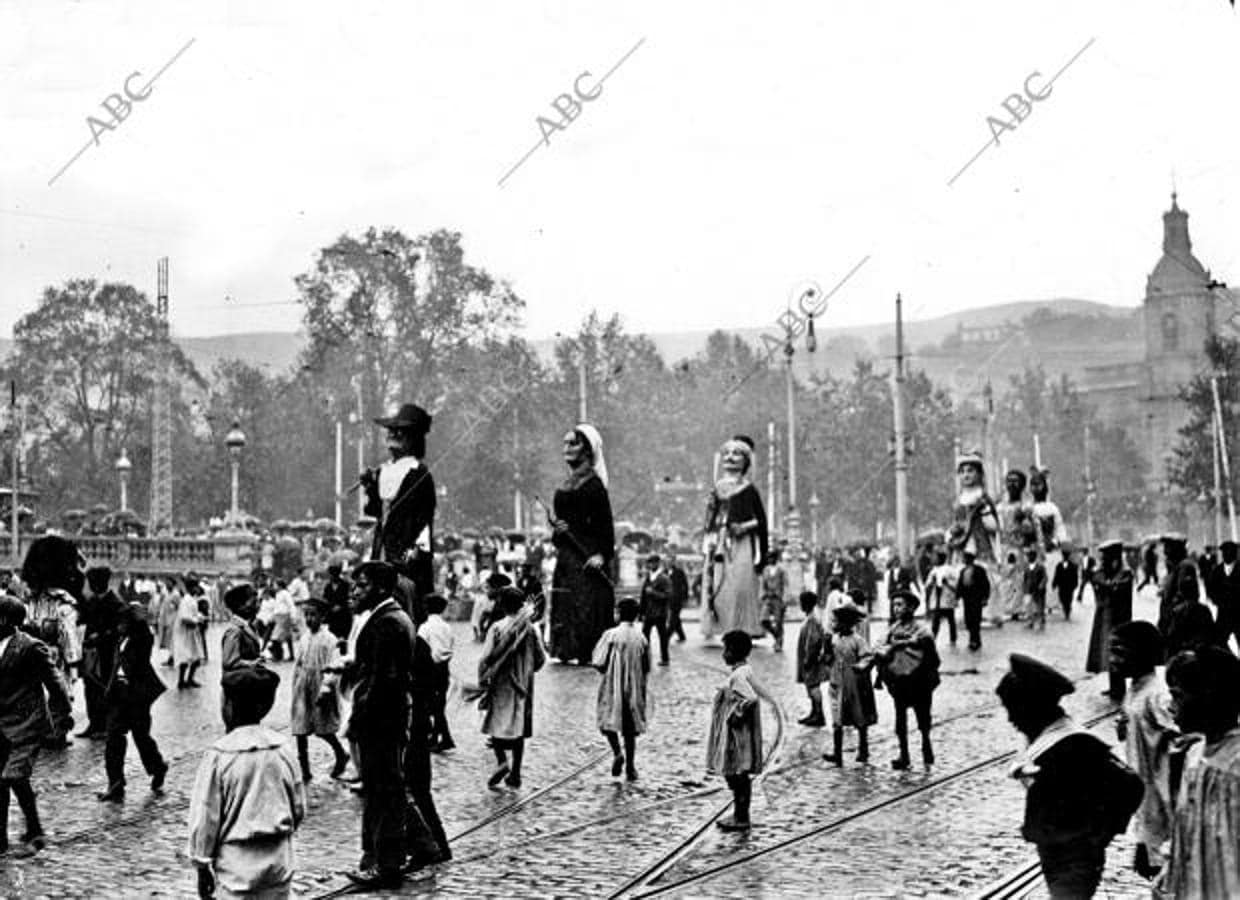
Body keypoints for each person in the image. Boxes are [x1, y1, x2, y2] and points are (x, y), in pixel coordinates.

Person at [996, 653, 1143, 899]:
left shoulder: (1075, 745)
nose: (1011, 720)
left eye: (1015, 711)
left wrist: (1099, 835)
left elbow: (1131, 785)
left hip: (1075, 859)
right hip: (1055, 853)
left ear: (1034, 709)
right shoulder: (1049, 739)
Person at [186, 666, 305, 900]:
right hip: (278, 865)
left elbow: (205, 816)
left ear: (228, 707)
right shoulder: (282, 749)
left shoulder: (220, 755)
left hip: (236, 870)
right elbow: (298, 807)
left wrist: (201, 865)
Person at [343, 561, 417, 889]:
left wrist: (360, 717)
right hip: (389, 717)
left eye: (361, 585)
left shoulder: (387, 622)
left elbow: (382, 681)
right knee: (386, 788)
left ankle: (385, 865)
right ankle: (390, 856)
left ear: (382, 588)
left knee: (383, 790)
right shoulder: (391, 617)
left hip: (381, 720)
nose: (354, 591)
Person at [1156, 646, 1240, 899]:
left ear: (1208, 697)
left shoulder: (1234, 768)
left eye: (1177, 696)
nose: (1170, 707)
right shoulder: (1194, 756)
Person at [0, 597, 73, 857]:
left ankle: (36, 830)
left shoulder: (31, 647)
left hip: (27, 723)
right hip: (1, 723)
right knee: (1, 781)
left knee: (15, 776)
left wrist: (62, 715)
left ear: (4, 621)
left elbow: (55, 683)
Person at [1110, 621, 1177, 880]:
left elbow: (1182, 732)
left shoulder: (1157, 695)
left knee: (1163, 867)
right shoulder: (1135, 689)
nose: (1113, 660)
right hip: (1146, 795)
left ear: (1141, 654)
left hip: (1161, 794)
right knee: (1152, 864)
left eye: (1120, 652)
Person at [548, 424, 616, 664]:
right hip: (567, 558)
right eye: (565, 443)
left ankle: (588, 651)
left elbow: (606, 527)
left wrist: (602, 554)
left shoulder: (595, 487)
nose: (566, 448)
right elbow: (559, 535)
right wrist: (558, 531)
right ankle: (567, 649)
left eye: (573, 444)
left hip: (588, 557)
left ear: (588, 451)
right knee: (567, 602)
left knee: (586, 605)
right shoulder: (565, 485)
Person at [359, 403, 437, 606]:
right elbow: (374, 510)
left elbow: (424, 522)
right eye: (391, 430)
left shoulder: (420, 474)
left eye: (400, 431)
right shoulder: (382, 471)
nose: (393, 435)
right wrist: (369, 487)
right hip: (382, 548)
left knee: (406, 600)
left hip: (407, 555)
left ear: (413, 438)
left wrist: (413, 553)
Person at [97, 604, 168, 802]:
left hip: (137, 695)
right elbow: (115, 662)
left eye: (123, 623)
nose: (119, 626)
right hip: (120, 694)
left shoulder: (143, 638)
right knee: (113, 737)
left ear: (132, 623)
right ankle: (115, 783)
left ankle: (158, 767)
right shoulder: (122, 637)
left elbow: (136, 663)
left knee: (141, 736)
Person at [701, 436, 768, 641]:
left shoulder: (749, 490)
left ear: (746, 461)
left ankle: (742, 626)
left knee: (740, 585)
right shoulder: (717, 488)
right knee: (718, 584)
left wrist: (744, 527)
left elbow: (760, 521)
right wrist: (709, 537)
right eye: (727, 453)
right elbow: (709, 518)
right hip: (719, 542)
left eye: (736, 453)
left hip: (742, 544)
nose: (730, 457)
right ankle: (722, 625)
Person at [479, 586, 546, 789]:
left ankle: (501, 762)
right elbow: (541, 658)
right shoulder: (531, 628)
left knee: (496, 722)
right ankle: (516, 772)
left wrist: (483, 679)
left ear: (502, 605)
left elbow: (486, 658)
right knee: (519, 727)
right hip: (524, 684)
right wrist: (527, 670)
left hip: (502, 682)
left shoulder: (497, 628)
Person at [403, 589, 451, 871]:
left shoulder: (413, 642)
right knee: (418, 790)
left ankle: (433, 847)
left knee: (415, 790)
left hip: (413, 727)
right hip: (420, 720)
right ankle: (435, 846)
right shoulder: (418, 640)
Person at [706, 630, 772, 831]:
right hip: (741, 733)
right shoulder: (744, 670)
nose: (723, 654)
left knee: (737, 773)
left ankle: (741, 817)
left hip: (738, 735)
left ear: (733, 651)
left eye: (726, 649)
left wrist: (736, 714)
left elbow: (750, 698)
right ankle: (739, 814)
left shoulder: (738, 676)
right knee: (738, 773)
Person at [876, 591, 941, 769]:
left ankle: (926, 745)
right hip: (900, 682)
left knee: (923, 717)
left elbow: (928, 644)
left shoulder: (921, 628)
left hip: (919, 681)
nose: (896, 609)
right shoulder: (893, 628)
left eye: (900, 604)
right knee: (900, 719)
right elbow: (882, 644)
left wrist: (907, 643)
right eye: (894, 605)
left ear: (911, 607)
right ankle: (904, 754)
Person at [591, 597, 649, 781]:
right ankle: (631, 766)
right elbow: (646, 665)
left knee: (607, 720)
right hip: (634, 687)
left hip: (612, 685)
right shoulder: (641, 637)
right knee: (630, 729)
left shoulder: (611, 635)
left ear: (618, 614)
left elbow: (599, 662)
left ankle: (617, 752)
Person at [290, 599, 348, 782]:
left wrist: (325, 688)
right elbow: (298, 663)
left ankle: (340, 753)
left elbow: (333, 666)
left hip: (320, 686)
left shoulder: (329, 640)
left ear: (322, 617)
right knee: (300, 727)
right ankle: (304, 768)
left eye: (313, 615)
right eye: (306, 615)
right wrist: (296, 684)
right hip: (303, 688)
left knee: (323, 728)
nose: (309, 619)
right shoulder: (304, 638)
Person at [821, 604, 877, 767]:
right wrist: (826, 650)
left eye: (837, 621)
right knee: (837, 717)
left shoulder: (858, 641)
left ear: (846, 623)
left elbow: (867, 657)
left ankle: (863, 749)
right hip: (837, 683)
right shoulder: (833, 639)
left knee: (859, 716)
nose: (834, 624)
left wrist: (861, 666)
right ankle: (837, 754)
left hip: (854, 684)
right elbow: (827, 660)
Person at [77, 566, 127, 739]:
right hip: (91, 652)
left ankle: (106, 727)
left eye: (92, 583)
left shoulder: (116, 603)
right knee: (90, 689)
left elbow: (120, 629)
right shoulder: (91, 602)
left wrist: (101, 636)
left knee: (105, 688)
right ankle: (94, 724)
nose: (90, 586)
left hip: (107, 654)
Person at [1086, 539, 1133, 701]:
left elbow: (1115, 589)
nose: (1103, 561)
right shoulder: (1108, 572)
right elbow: (1097, 580)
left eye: (1106, 557)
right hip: (1106, 617)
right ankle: (1114, 686)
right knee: (1108, 652)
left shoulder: (1125, 573)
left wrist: (1104, 584)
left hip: (1119, 619)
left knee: (1118, 652)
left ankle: (1119, 689)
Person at [949, 450, 999, 578]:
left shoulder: (983, 498)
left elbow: (994, 527)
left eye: (970, 471)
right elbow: (954, 523)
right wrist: (953, 531)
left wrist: (984, 513)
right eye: (963, 471)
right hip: (961, 548)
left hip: (981, 548)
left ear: (979, 474)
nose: (966, 475)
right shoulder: (958, 501)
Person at [418, 593, 455, 753]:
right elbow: (451, 645)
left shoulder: (424, 628)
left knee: (431, 705)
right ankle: (437, 737)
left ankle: (445, 738)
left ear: (426, 608)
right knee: (439, 704)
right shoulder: (447, 627)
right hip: (444, 668)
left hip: (429, 669)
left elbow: (420, 650)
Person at [995, 468, 1033, 622]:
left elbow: (1031, 529)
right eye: (1009, 481)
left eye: (1015, 481)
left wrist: (1024, 520)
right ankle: (1006, 608)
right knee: (1004, 578)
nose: (1012, 484)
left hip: (1019, 548)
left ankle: (1019, 608)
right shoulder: (999, 507)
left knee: (1019, 578)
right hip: (1003, 547)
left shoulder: (1026, 507)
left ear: (1022, 485)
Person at [1163, 560, 1218, 659]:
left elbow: (1172, 637)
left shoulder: (1177, 611)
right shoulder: (1204, 610)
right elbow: (1212, 634)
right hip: (1201, 653)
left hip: (1182, 655)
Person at [795, 591, 828, 728]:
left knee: (814, 686)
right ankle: (814, 712)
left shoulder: (813, 620)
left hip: (811, 659)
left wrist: (809, 659)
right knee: (810, 686)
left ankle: (819, 714)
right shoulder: (811, 618)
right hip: (808, 658)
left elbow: (813, 642)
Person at [220, 583, 264, 673]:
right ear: (241, 606)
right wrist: (252, 663)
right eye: (254, 602)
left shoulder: (247, 626)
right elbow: (229, 662)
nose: (258, 606)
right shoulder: (234, 630)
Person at [1206, 538, 1240, 650]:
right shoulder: (1217, 571)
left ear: (1235, 554)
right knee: (1218, 642)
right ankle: (1229, 663)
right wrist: (1218, 600)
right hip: (1223, 613)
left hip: (1238, 613)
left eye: (1230, 552)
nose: (1227, 555)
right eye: (1225, 552)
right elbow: (1211, 589)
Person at [639, 554, 672, 666]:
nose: (651, 565)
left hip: (660, 613)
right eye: (650, 562)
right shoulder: (648, 577)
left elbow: (667, 595)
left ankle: (665, 658)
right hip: (649, 613)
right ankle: (645, 658)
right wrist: (641, 611)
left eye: (653, 562)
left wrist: (653, 593)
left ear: (658, 563)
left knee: (662, 637)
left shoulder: (664, 578)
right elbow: (643, 595)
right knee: (644, 636)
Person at [174, 578, 208, 689]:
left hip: (192, 632)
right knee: (185, 657)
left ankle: (189, 679)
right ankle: (181, 681)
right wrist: (197, 620)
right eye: (196, 587)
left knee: (196, 657)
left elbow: (192, 614)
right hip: (186, 633)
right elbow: (184, 618)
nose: (198, 589)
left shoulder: (192, 600)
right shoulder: (186, 600)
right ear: (191, 588)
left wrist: (199, 616)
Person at [956, 549, 991, 652]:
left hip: (976, 598)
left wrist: (985, 597)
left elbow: (985, 584)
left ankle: (974, 640)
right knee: (969, 619)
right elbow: (960, 585)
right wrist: (957, 597)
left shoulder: (980, 570)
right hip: (967, 598)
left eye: (966, 558)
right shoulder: (963, 571)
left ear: (971, 559)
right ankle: (973, 639)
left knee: (976, 619)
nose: (964, 560)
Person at [926, 550, 958, 646]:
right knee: (936, 620)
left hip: (947, 597)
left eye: (936, 558)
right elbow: (927, 585)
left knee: (951, 619)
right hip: (937, 597)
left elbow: (956, 584)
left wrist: (947, 583)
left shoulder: (950, 570)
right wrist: (932, 582)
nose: (934, 560)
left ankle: (953, 638)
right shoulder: (933, 570)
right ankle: (933, 638)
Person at [759, 551, 787, 652]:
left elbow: (786, 585)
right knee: (763, 620)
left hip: (778, 598)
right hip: (767, 598)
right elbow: (762, 584)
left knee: (779, 621)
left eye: (772, 558)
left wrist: (784, 599)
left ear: (776, 558)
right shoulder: (765, 570)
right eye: (769, 558)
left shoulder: (781, 570)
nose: (770, 560)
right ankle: (776, 636)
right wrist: (762, 596)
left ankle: (779, 643)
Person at [322, 562, 353, 643]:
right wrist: (330, 607)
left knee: (343, 636)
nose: (331, 577)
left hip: (343, 615)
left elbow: (348, 598)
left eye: (333, 574)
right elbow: (326, 599)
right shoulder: (328, 587)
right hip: (332, 616)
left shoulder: (345, 585)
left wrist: (341, 606)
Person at [664, 551, 689, 643]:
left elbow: (685, 585)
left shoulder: (679, 572)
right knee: (676, 618)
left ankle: (666, 637)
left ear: (673, 562)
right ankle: (682, 636)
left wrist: (685, 598)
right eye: (667, 561)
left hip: (678, 599)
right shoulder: (664, 572)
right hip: (668, 600)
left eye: (670, 561)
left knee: (673, 619)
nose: (668, 563)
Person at [1022, 546, 1048, 632]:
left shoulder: (1040, 567)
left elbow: (1045, 577)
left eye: (1031, 556)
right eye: (1028, 556)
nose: (1029, 558)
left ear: (1034, 557)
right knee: (1028, 607)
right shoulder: (1026, 568)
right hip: (1029, 590)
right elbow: (1025, 578)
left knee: (1040, 607)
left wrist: (1042, 585)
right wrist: (1024, 588)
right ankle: (1030, 622)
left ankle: (1041, 622)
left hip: (1039, 590)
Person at [1051, 547, 1080, 622]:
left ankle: (1067, 612)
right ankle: (1066, 608)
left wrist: (1075, 585)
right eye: (1064, 556)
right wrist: (1054, 583)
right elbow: (1056, 575)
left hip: (1070, 586)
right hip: (1061, 586)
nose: (1065, 557)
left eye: (1066, 556)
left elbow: (1075, 576)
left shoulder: (1073, 566)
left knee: (1069, 599)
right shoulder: (1059, 565)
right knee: (1062, 599)